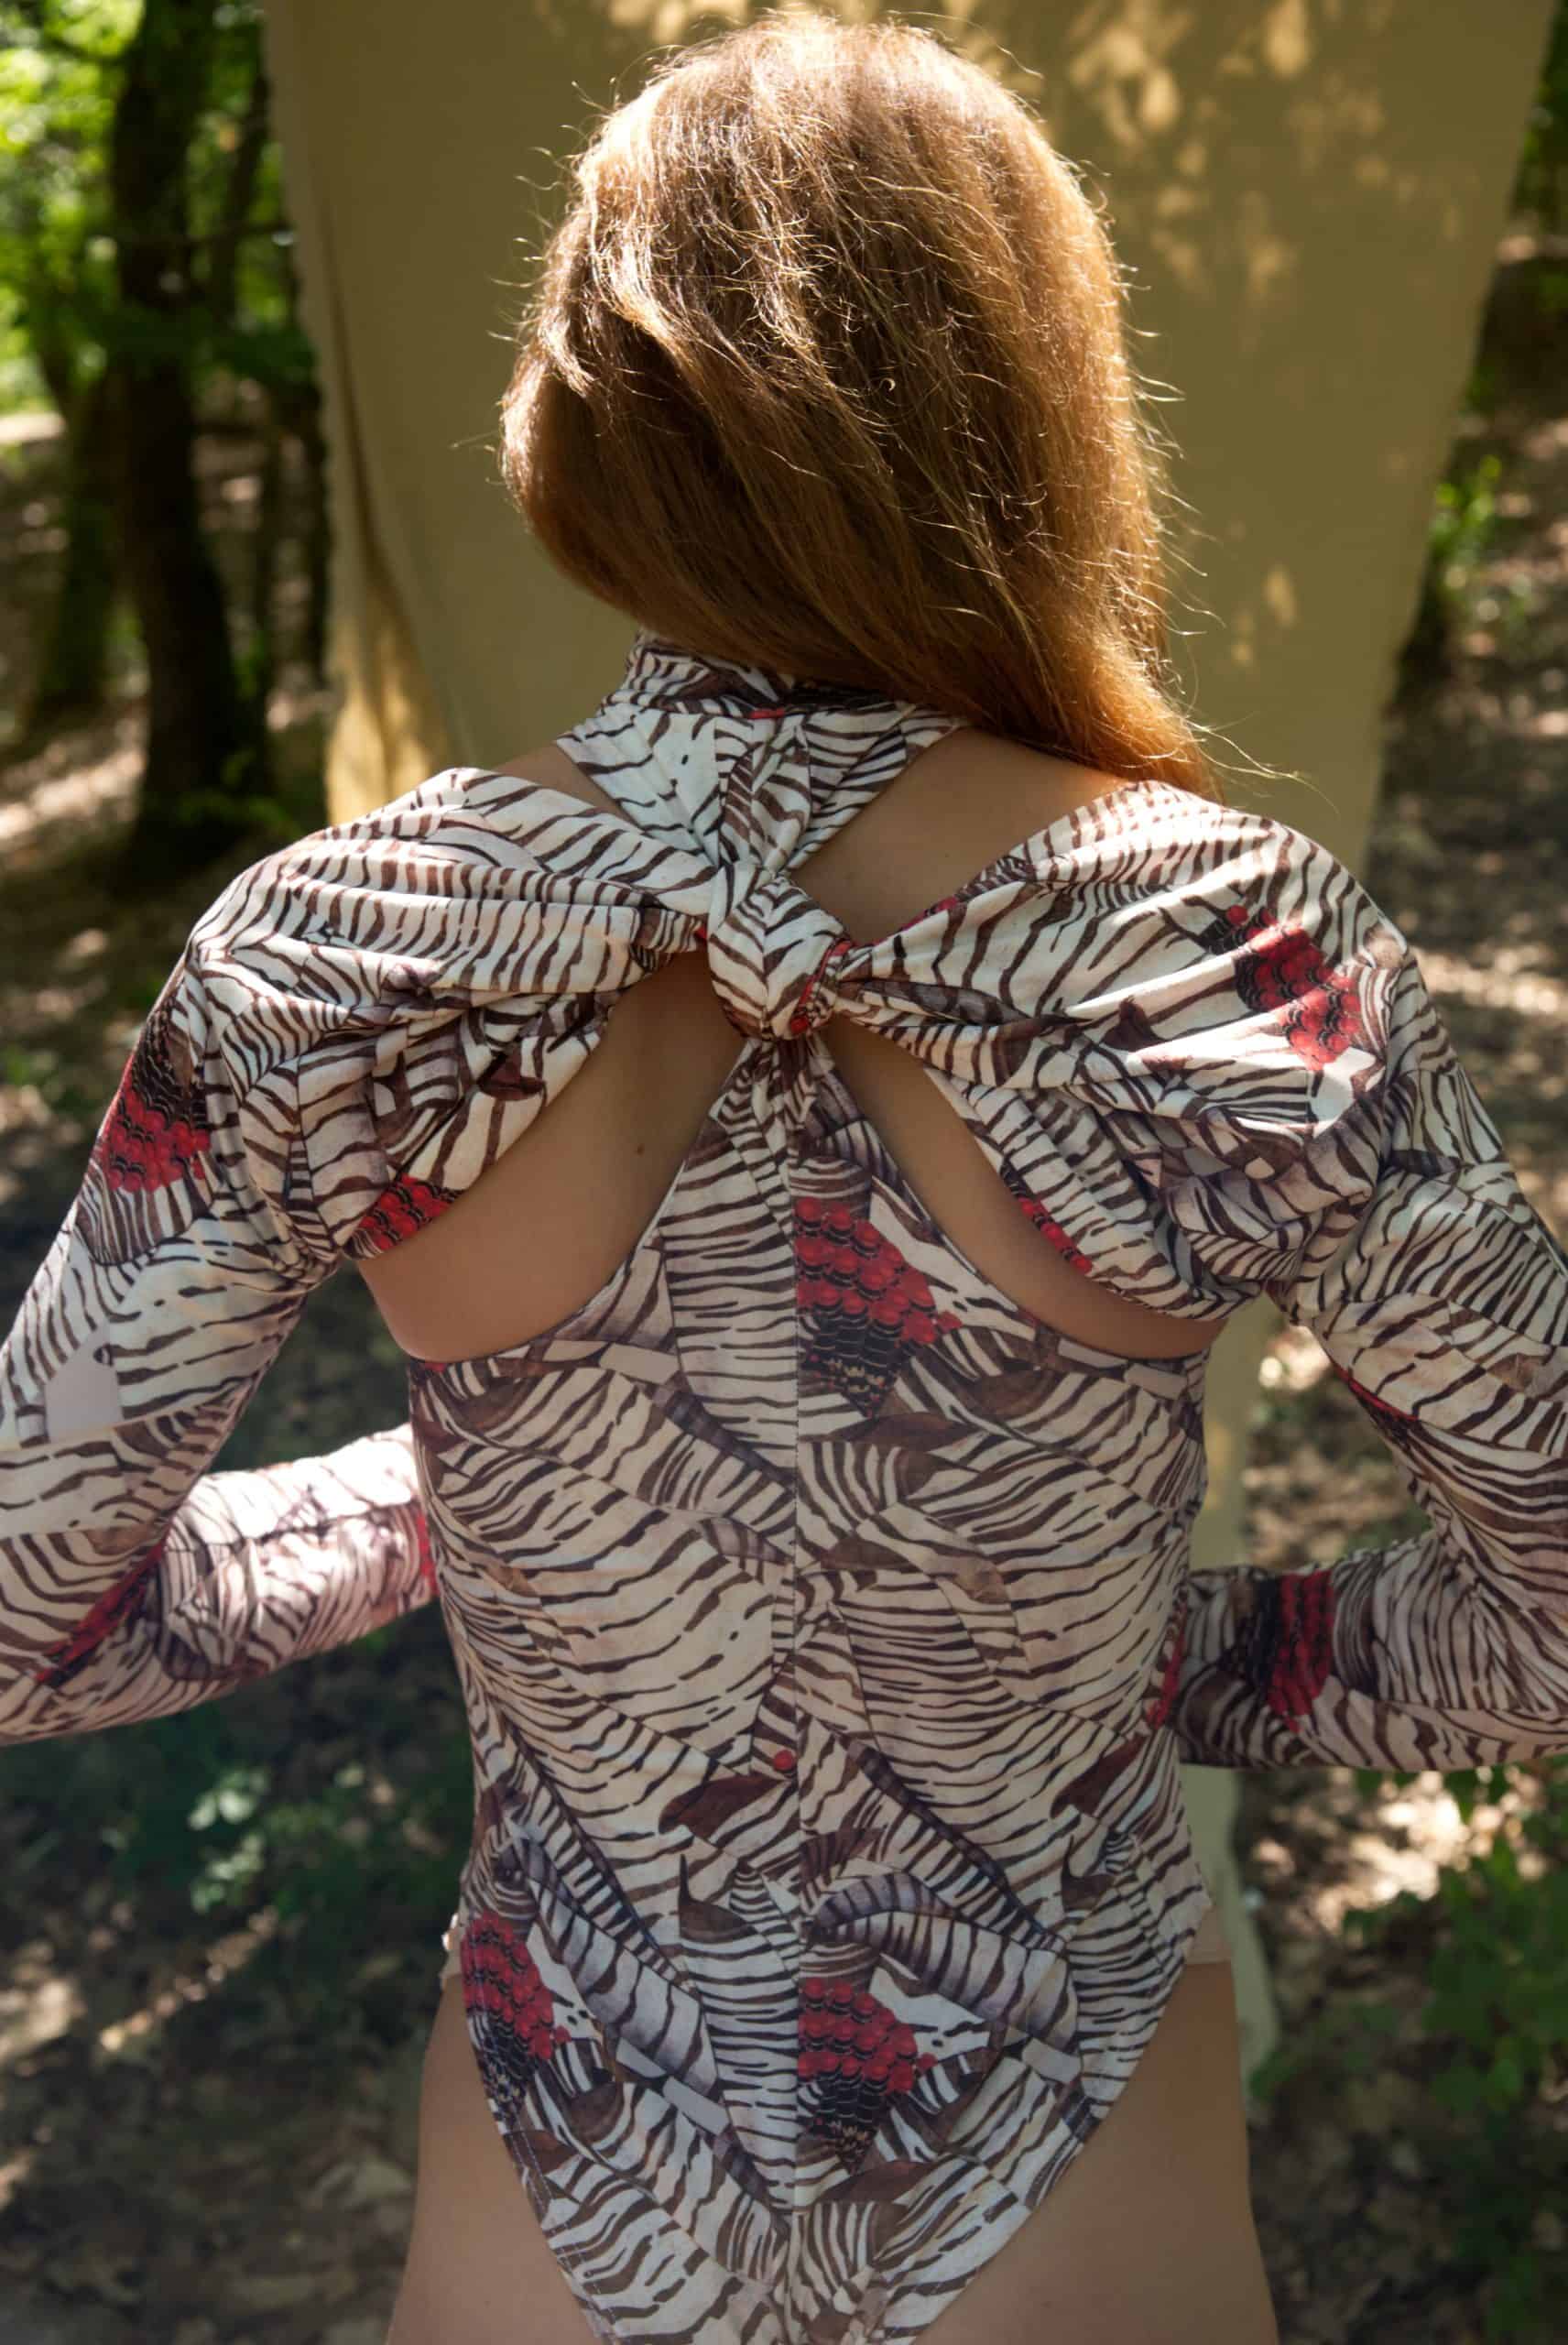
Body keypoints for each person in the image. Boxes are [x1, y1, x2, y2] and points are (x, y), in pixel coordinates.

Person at [4, 14, 1565, 2344]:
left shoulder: (348, 952)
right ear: (1043, 409)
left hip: (556, 2198)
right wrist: (1120, 1665)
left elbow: (28, 1603)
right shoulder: (1232, 952)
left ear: (585, 418)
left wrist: (475, 1521)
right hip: (1084, 2200)